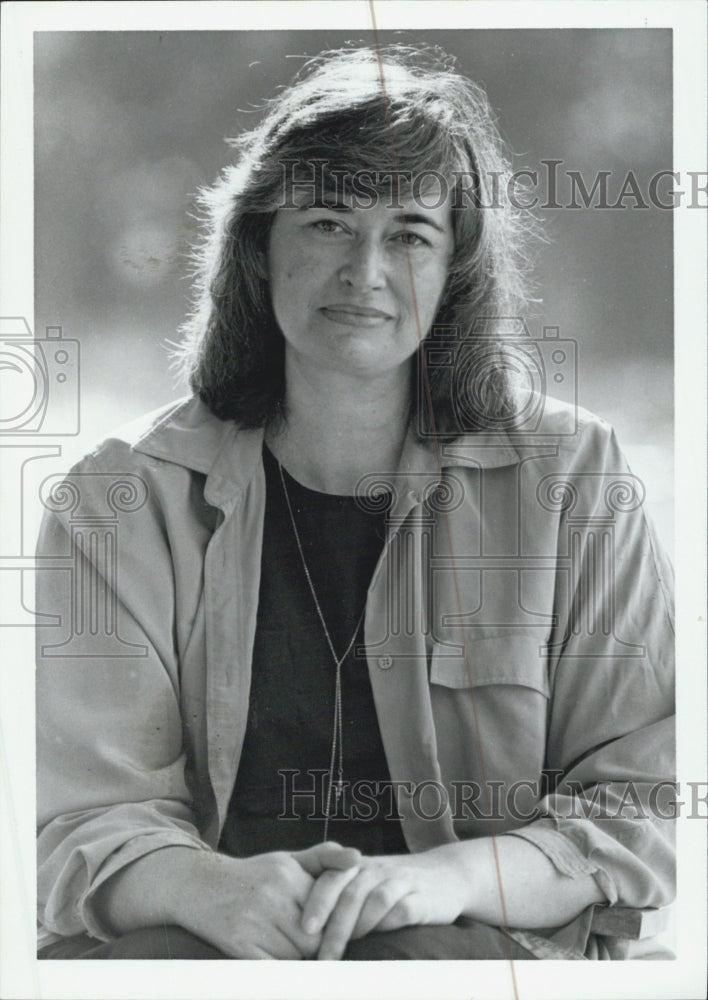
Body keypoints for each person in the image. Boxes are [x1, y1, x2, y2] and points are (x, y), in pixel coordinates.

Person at [35, 44, 675, 961]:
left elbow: (641, 805)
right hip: (203, 944)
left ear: (456, 268)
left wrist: (446, 880)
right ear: (260, 246)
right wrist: (213, 888)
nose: (365, 271)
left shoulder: (576, 477)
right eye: (329, 223)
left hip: (479, 944)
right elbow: (76, 820)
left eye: (410, 233)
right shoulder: (119, 498)